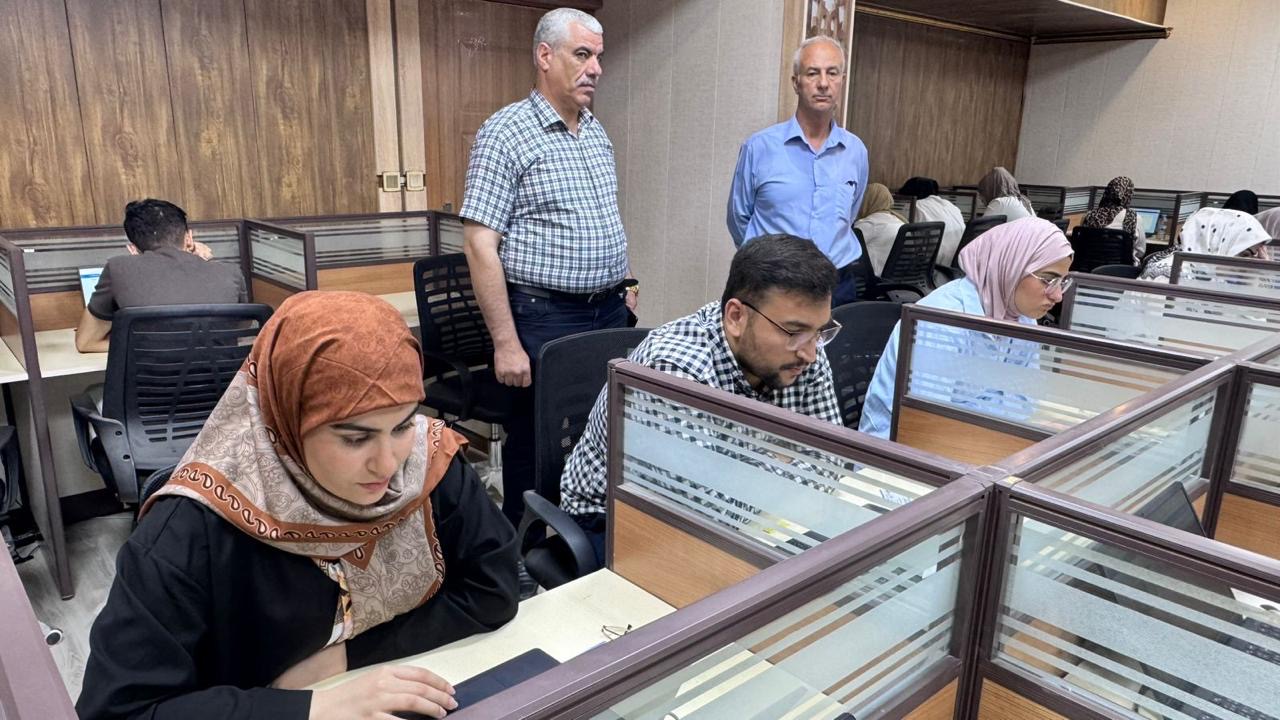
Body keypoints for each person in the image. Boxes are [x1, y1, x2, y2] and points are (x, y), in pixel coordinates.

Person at [77, 292, 519, 720]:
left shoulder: (429, 461)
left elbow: (494, 589)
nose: (389, 464)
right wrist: (312, 708)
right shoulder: (191, 529)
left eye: (403, 425)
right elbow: (120, 710)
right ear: (285, 417)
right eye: (355, 438)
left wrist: (347, 657)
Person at [560, 235, 844, 563]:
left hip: (747, 525)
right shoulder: (673, 370)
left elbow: (831, 462)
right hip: (611, 517)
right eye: (793, 332)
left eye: (819, 331)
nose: (811, 353)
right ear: (736, 317)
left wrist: (745, 474)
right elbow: (710, 515)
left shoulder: (804, 351)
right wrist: (780, 459)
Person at [460, 8, 636, 526]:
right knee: (538, 443)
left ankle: (584, 537)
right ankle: (524, 546)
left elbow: (605, 217)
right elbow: (479, 244)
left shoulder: (595, 132)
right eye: (582, 55)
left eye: (597, 57)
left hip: (607, 312)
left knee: (600, 429)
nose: (595, 68)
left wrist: (626, 280)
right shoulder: (506, 132)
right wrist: (505, 343)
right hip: (544, 318)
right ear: (544, 56)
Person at [858, 218, 1073, 439]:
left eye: (1063, 282)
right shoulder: (942, 321)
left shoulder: (1022, 317)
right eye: (1048, 280)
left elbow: (1023, 402)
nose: (1057, 296)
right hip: (899, 446)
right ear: (1012, 268)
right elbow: (924, 426)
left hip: (978, 439)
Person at [727, 35, 868, 306]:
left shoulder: (856, 151)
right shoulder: (759, 147)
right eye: (813, 73)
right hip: (772, 283)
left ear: (842, 80)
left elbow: (849, 216)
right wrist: (768, 262)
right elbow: (738, 219)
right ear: (796, 82)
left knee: (837, 337)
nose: (823, 83)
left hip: (837, 286)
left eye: (832, 73)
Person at [75, 198, 248, 353]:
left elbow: (86, 342)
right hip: (220, 378)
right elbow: (240, 328)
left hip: (148, 379)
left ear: (133, 247)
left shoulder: (118, 268)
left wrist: (140, 343)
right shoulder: (230, 272)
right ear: (189, 237)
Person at [1138, 207, 1270, 282]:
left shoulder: (1207, 272)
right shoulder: (1170, 274)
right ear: (1215, 245)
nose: (1248, 264)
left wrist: (1257, 277)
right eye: (1244, 254)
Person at [899, 177, 965, 267]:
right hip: (958, 264)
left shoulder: (914, 207)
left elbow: (899, 235)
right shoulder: (949, 205)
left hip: (931, 265)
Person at [1082, 176, 1143, 263]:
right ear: (1128, 195)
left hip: (1088, 265)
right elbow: (1141, 251)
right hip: (1121, 268)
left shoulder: (1089, 215)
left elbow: (1081, 244)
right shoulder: (1133, 217)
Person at [854, 183, 906, 275]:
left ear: (866, 201)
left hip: (873, 278)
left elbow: (845, 250)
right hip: (898, 277)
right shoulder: (900, 221)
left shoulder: (869, 224)